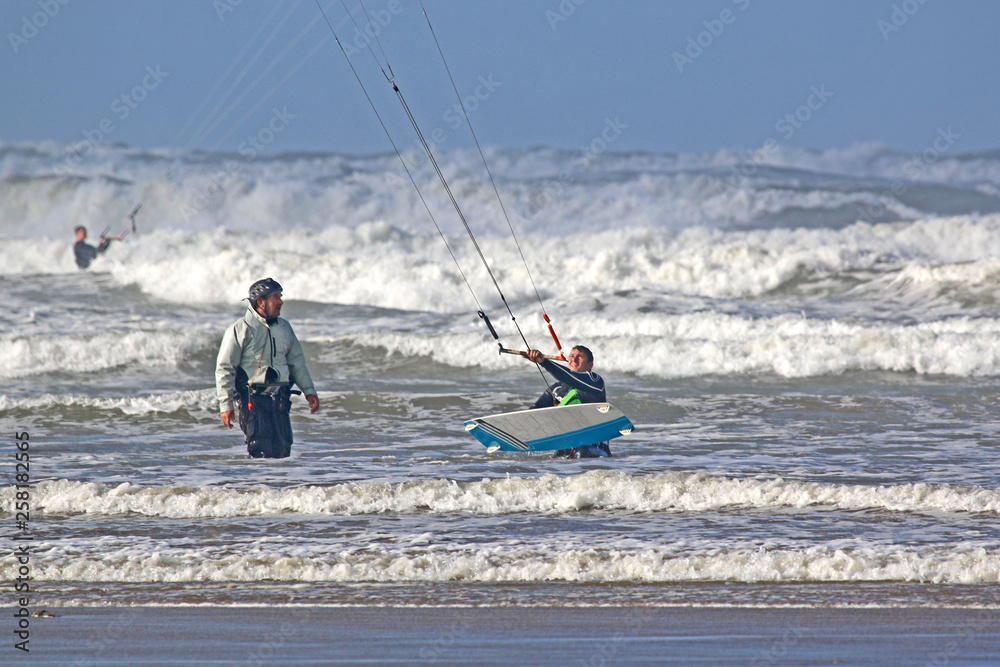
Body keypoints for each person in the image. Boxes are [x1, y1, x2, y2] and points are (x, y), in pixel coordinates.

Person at [216, 278, 319, 458]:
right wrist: (226, 405)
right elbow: (224, 368)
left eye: (280, 296)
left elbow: (297, 363)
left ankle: (281, 485)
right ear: (261, 302)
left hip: (280, 399)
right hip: (253, 400)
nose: (281, 302)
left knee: (283, 450)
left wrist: (309, 391)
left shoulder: (285, 327)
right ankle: (259, 486)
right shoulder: (240, 329)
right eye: (276, 297)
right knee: (260, 450)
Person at [523, 345, 611, 458]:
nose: (574, 359)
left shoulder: (595, 382)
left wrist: (544, 362)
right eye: (572, 356)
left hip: (595, 450)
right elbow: (534, 412)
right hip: (566, 450)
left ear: (590, 365)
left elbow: (569, 377)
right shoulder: (556, 389)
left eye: (580, 356)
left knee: (581, 453)